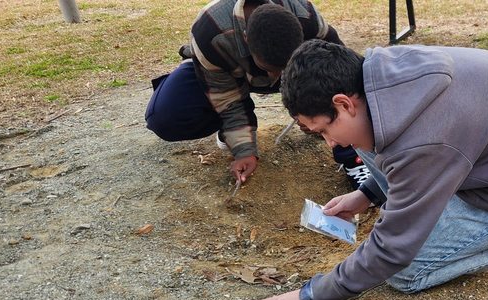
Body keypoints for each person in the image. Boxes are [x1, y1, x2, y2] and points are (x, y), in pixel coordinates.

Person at [241, 40, 488, 300]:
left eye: (325, 129)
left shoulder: (428, 138)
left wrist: (315, 295)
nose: (331, 143)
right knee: (370, 142)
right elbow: (403, 154)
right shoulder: (381, 76)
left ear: (343, 103)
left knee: (406, 274)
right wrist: (365, 194)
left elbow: (393, 249)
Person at [144, 0, 368, 188]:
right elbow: (226, 98)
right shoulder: (209, 30)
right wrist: (244, 150)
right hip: (220, 71)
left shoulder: (307, 19)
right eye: (272, 68)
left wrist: (310, 112)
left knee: (333, 95)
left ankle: (354, 160)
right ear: (246, 39)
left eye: (284, 70)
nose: (278, 76)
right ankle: (229, 130)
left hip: (298, 70)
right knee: (165, 117)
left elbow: (344, 81)